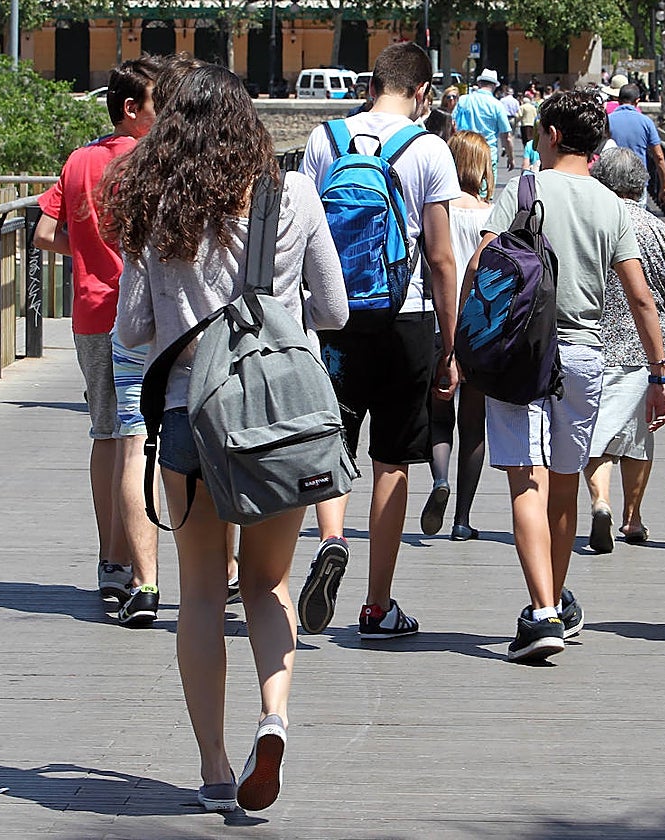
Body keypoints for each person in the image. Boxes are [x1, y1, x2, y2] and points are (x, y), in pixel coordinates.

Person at [107, 64, 348, 812]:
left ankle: (214, 769)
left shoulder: (156, 205)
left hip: (192, 419)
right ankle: (273, 718)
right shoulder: (294, 194)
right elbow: (335, 309)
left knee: (203, 592)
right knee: (269, 583)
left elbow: (131, 329)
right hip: (279, 420)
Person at [463, 90, 665, 663]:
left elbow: (481, 265)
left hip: (520, 354)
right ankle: (553, 601)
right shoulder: (612, 205)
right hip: (584, 355)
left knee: (525, 482)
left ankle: (542, 613)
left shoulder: (523, 190)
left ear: (552, 134)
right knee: (563, 481)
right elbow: (641, 299)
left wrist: (461, 346)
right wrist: (660, 374)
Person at [298, 41, 461, 640]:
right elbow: (441, 258)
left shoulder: (325, 140)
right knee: (392, 462)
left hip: (335, 320)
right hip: (405, 318)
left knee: (331, 445)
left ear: (370, 86)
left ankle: (331, 538)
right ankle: (376, 606)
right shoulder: (429, 148)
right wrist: (450, 347)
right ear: (422, 93)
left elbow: (301, 232)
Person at [34, 57, 165, 613]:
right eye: (159, 104)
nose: (166, 115)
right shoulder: (149, 161)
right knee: (141, 438)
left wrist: (88, 254)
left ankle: (110, 561)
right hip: (142, 315)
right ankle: (141, 565)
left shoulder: (79, 159)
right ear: (132, 108)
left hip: (89, 313)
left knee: (106, 433)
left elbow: (45, 234)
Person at [583, 148, 665, 552]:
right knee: (638, 436)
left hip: (593, 342)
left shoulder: (591, 224)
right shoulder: (660, 232)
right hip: (649, 352)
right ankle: (632, 518)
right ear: (641, 185)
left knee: (596, 435)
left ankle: (600, 501)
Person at [422, 130, 494, 541]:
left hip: (438, 324)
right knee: (473, 425)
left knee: (438, 417)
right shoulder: (492, 215)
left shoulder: (437, 212)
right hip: (479, 331)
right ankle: (462, 519)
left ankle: (439, 479)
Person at [607, 83, 665, 204]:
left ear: (619, 100)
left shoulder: (608, 120)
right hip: (637, 182)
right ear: (637, 101)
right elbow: (659, 156)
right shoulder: (646, 122)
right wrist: (664, 186)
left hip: (612, 179)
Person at [454, 68, 514, 184]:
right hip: (487, 152)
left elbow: (452, 124)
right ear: (494, 86)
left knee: (464, 189)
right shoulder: (497, 105)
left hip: (464, 151)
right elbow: (506, 136)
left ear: (479, 83)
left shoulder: (463, 100)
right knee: (485, 191)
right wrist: (511, 157)